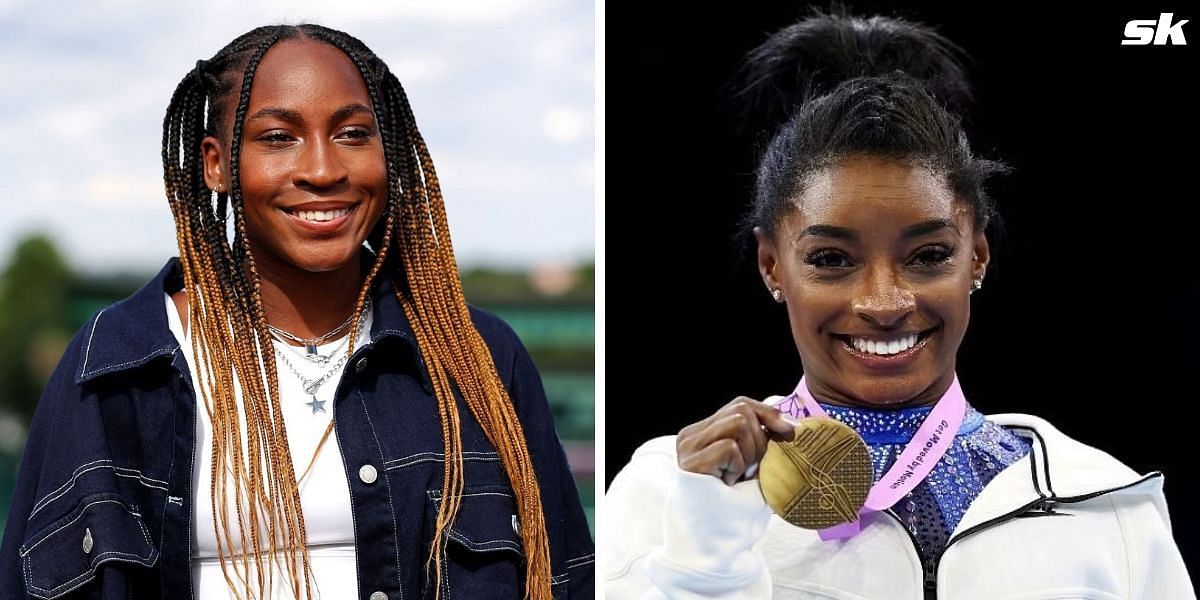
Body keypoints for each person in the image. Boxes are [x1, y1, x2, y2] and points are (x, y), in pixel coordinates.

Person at [603, 11, 1193, 599]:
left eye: (929, 254)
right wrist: (705, 561)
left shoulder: (1107, 507)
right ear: (771, 265)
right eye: (832, 259)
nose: (883, 302)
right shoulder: (671, 489)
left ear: (978, 256)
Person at [0, 24, 594, 600]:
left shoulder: (476, 362)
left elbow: (566, 576)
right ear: (215, 164)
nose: (322, 169)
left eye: (354, 134)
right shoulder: (119, 367)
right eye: (278, 137)